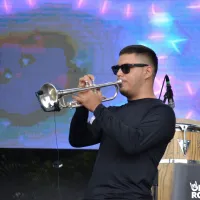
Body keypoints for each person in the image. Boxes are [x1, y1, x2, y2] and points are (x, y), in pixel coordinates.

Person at [69, 45, 176, 200]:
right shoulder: (112, 112)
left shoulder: (162, 113)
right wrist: (83, 106)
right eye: (116, 69)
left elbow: (133, 143)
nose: (119, 73)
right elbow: (78, 140)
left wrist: (97, 107)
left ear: (147, 71)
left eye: (126, 68)